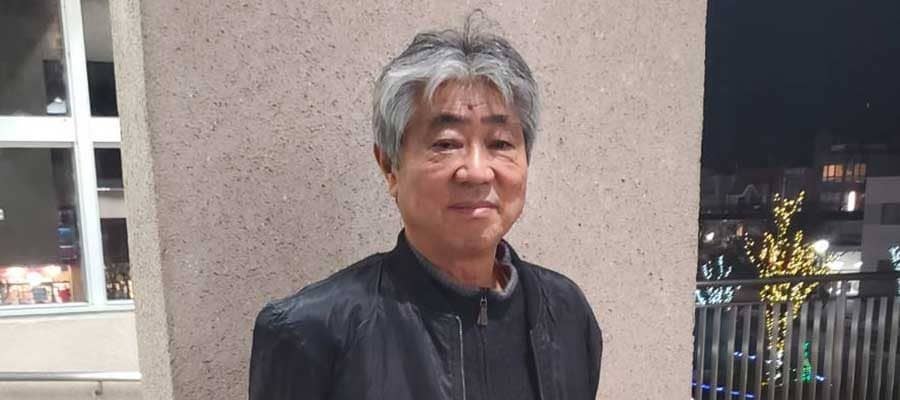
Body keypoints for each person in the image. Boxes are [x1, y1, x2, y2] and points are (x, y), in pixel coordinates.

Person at [249, 17, 602, 400]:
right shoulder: (311, 332)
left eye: (500, 143)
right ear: (390, 167)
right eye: (446, 144)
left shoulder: (566, 314)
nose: (477, 171)